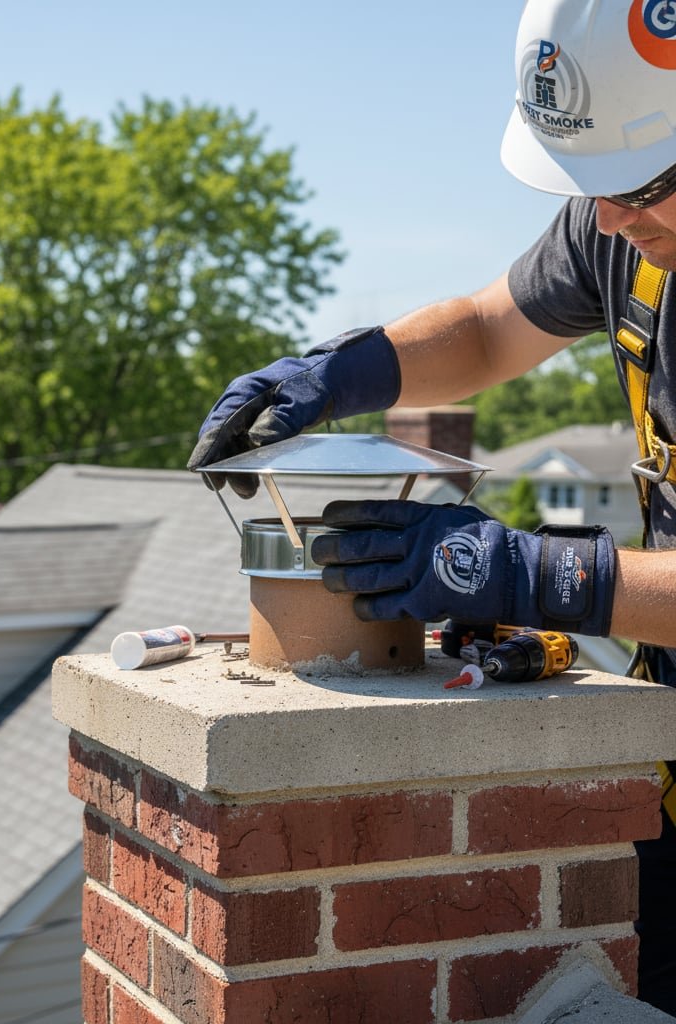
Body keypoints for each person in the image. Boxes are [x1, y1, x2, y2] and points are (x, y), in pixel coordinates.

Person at [188, 0, 676, 1011]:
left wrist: (526, 572)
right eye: (586, 187)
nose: (607, 219)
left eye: (636, 187)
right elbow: (487, 331)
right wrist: (343, 370)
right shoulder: (621, 219)